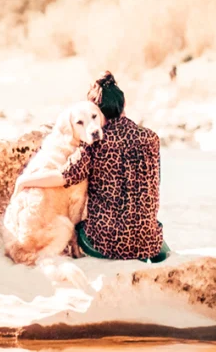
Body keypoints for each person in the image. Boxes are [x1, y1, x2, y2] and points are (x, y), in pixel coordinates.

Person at [14, 71, 170, 262]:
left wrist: (24, 181)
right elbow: (156, 182)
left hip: (105, 245)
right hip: (148, 242)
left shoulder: (93, 143)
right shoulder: (151, 138)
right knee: (151, 226)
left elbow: (64, 177)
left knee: (80, 228)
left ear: (97, 111)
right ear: (124, 105)